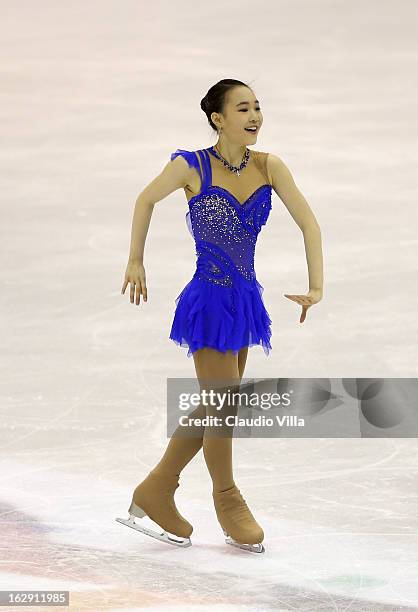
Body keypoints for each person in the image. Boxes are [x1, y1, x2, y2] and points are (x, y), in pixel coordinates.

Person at [116, 79, 324, 552]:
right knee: (223, 404)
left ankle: (156, 489)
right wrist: (135, 259)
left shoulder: (270, 166)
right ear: (218, 118)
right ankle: (226, 498)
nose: (255, 117)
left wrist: (316, 286)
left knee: (217, 404)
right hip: (208, 300)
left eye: (258, 108)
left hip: (246, 300)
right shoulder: (191, 166)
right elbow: (145, 199)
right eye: (243, 108)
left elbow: (309, 222)